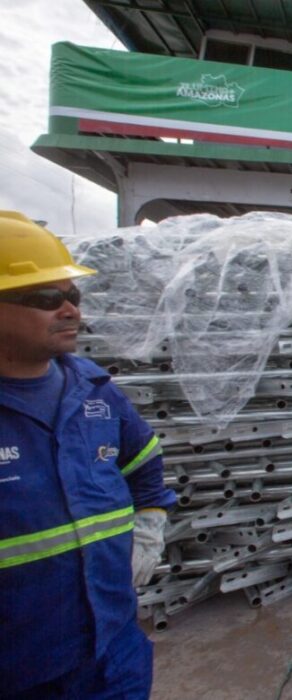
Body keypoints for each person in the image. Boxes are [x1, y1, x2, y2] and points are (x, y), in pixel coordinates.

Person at [0, 211, 175, 699]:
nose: (71, 310)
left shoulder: (92, 390)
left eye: (72, 295)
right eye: (45, 299)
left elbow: (145, 466)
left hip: (112, 653)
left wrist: (150, 521)